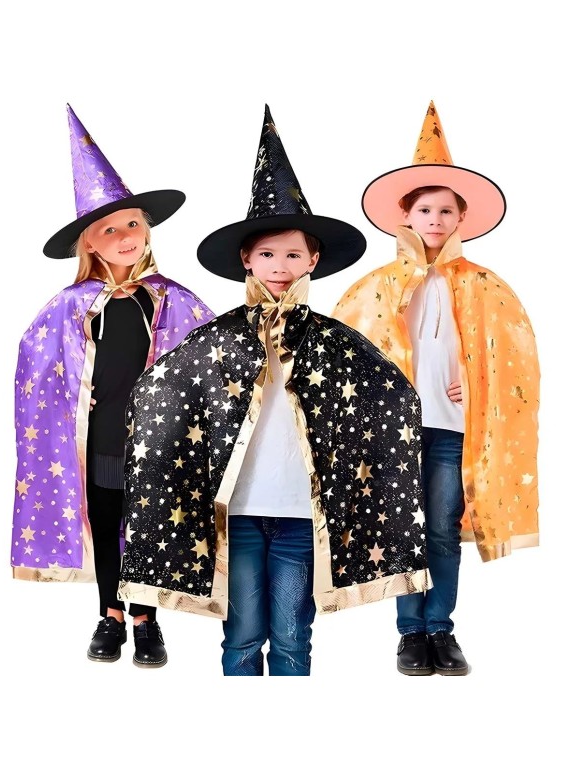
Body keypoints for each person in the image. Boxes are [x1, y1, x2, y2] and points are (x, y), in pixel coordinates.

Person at [118, 104, 431, 676]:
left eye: (292, 254)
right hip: (237, 514)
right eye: (267, 253)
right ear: (247, 259)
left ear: (313, 259)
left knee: (291, 638)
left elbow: (395, 394)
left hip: (299, 515)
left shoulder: (333, 341)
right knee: (241, 638)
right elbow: (160, 389)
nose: (280, 265)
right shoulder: (218, 339)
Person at [333, 101, 539, 676]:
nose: (436, 219)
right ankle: (409, 633)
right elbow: (347, 354)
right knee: (404, 529)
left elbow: (514, 360)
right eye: (425, 209)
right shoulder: (376, 287)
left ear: (461, 217)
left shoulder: (483, 286)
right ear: (406, 214)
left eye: (447, 210)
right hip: (394, 431)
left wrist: (476, 387)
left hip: (449, 427)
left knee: (443, 529)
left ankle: (440, 628)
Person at [11, 105, 213, 668]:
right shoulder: (72, 306)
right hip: (101, 434)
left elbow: (207, 358)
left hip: (157, 438)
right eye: (110, 230)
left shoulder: (172, 299)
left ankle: (147, 620)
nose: (125, 237)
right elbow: (35, 364)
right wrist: (74, 394)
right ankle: (111, 614)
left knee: (147, 524)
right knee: (106, 523)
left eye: (133, 225)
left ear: (147, 229)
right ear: (91, 245)